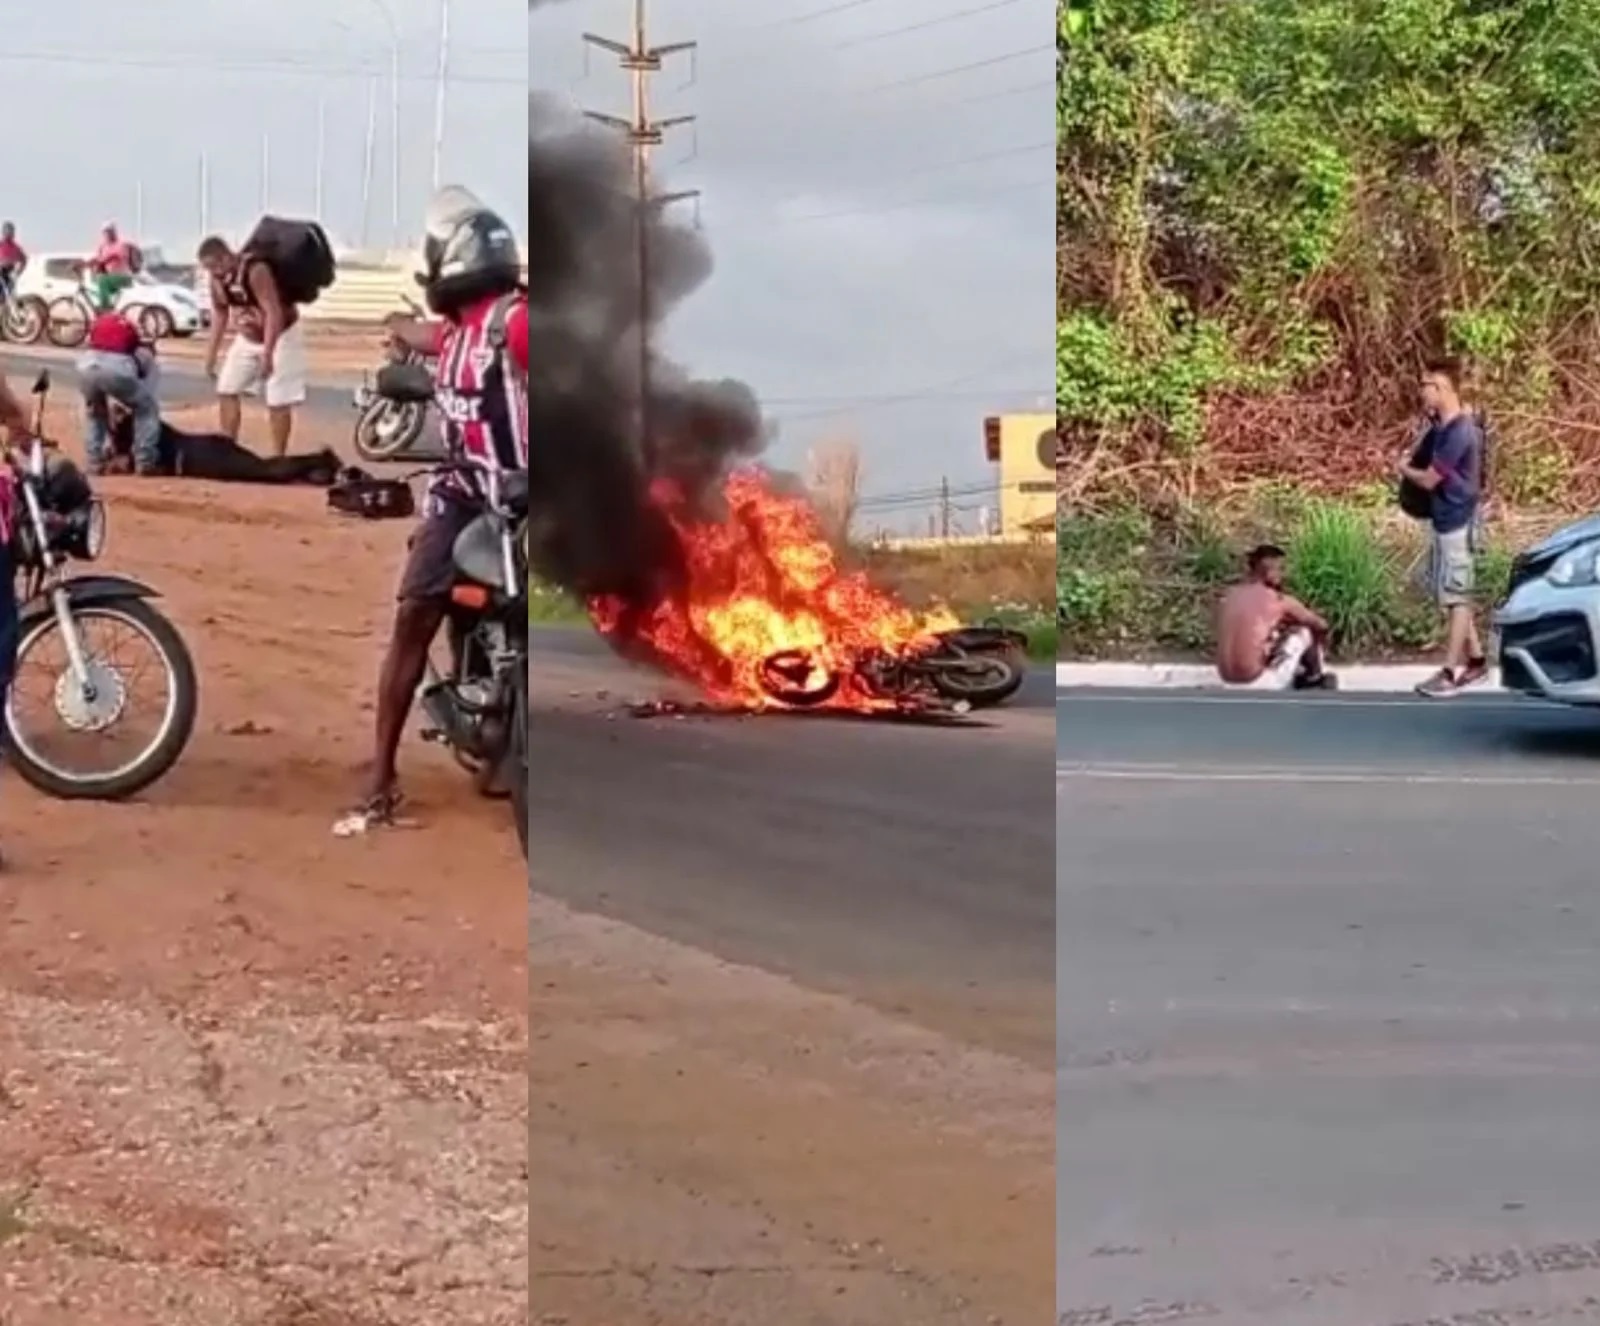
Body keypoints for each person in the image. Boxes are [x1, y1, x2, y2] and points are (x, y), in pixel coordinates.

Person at [335, 187, 528, 837]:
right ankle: (382, 774)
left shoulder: (514, 322)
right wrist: (396, 333)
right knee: (416, 609)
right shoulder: (456, 332)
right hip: (462, 492)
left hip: (520, 496)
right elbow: (423, 335)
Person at [1398, 356, 1488, 698]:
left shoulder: (1459, 432)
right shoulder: (1442, 428)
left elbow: (1431, 479)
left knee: (1458, 597)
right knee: (1453, 594)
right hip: (1446, 518)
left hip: (1458, 521)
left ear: (1442, 388)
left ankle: (1449, 674)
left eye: (1426, 385)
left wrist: (1403, 469)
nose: (1421, 391)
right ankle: (1476, 661)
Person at [195, 234, 308, 459]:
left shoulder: (255, 270)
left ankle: (278, 456)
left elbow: (273, 312)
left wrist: (268, 353)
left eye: (216, 265)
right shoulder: (217, 280)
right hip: (247, 337)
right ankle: (228, 450)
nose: (214, 272)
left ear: (227, 256)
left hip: (281, 336)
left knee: (278, 399)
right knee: (226, 389)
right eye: (209, 269)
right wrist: (210, 354)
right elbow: (220, 313)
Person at [1215, 544, 1336, 690]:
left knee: (1271, 639)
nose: (1283, 575)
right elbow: (1321, 625)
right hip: (1258, 683)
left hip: (1226, 682)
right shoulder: (1277, 600)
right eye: (1281, 569)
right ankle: (1313, 679)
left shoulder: (1229, 597)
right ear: (1269, 572)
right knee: (1304, 632)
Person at [75, 309, 161, 475]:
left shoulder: (102, 333)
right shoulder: (143, 352)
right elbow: (149, 392)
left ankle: (94, 462)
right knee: (147, 409)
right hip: (117, 371)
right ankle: (145, 461)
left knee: (95, 414)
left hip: (85, 367)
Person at [86, 222, 137, 312]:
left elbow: (113, 256)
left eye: (110, 232)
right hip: (112, 278)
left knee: (103, 280)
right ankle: (107, 308)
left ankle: (105, 309)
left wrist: (101, 262)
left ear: (114, 232)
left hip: (123, 277)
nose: (108, 234)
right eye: (106, 232)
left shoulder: (120, 244)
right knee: (97, 282)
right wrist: (84, 264)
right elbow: (97, 258)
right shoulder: (103, 246)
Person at [0, 222, 27, 301]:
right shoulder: (1, 244)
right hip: (2, 272)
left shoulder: (16, 247)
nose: (8, 233)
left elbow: (24, 260)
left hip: (10, 273)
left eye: (11, 231)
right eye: (6, 231)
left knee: (8, 297)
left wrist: (18, 272)